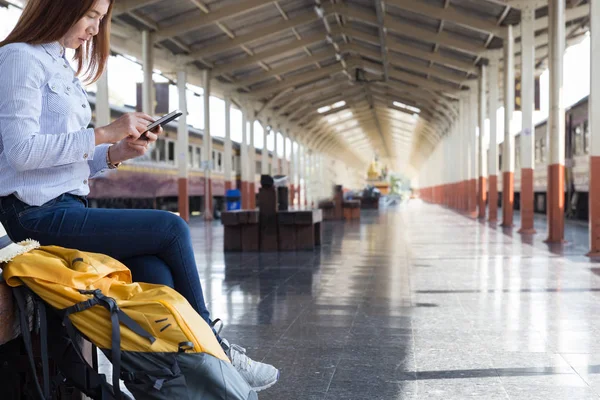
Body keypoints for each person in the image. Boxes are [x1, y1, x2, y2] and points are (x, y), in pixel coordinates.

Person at [0, 0, 279, 392]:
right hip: (33, 216)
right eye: (91, 16)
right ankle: (218, 350)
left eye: (100, 19)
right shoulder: (18, 59)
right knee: (171, 227)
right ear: (60, 8)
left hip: (65, 206)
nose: (95, 30)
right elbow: (21, 152)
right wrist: (104, 134)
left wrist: (116, 153)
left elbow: (67, 161)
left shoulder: (60, 65)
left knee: (155, 271)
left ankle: (163, 387)